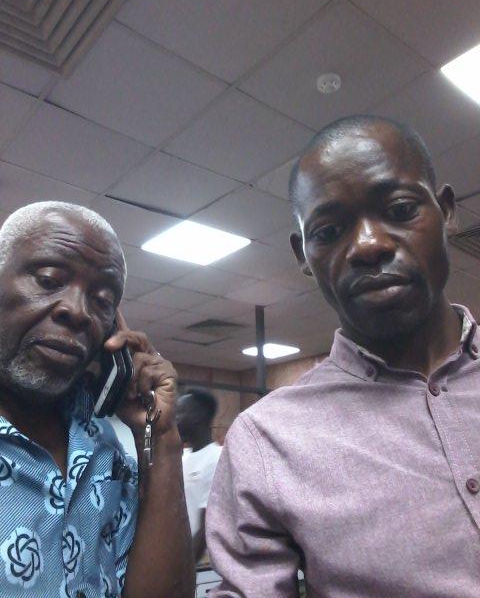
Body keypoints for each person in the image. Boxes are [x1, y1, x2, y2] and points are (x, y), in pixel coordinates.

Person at [206, 115, 480, 597]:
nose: (369, 246)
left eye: (400, 209)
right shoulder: (267, 440)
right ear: (303, 255)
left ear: (446, 212)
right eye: (329, 231)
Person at [0, 201, 195, 597]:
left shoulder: (103, 448)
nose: (78, 311)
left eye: (103, 301)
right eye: (49, 279)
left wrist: (163, 438)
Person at [176, 389, 222, 563]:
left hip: (201, 564)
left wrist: (184, 568)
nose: (175, 419)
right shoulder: (182, 458)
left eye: (180, 413)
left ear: (199, 416)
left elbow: (206, 528)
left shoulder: (217, 458)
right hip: (179, 553)